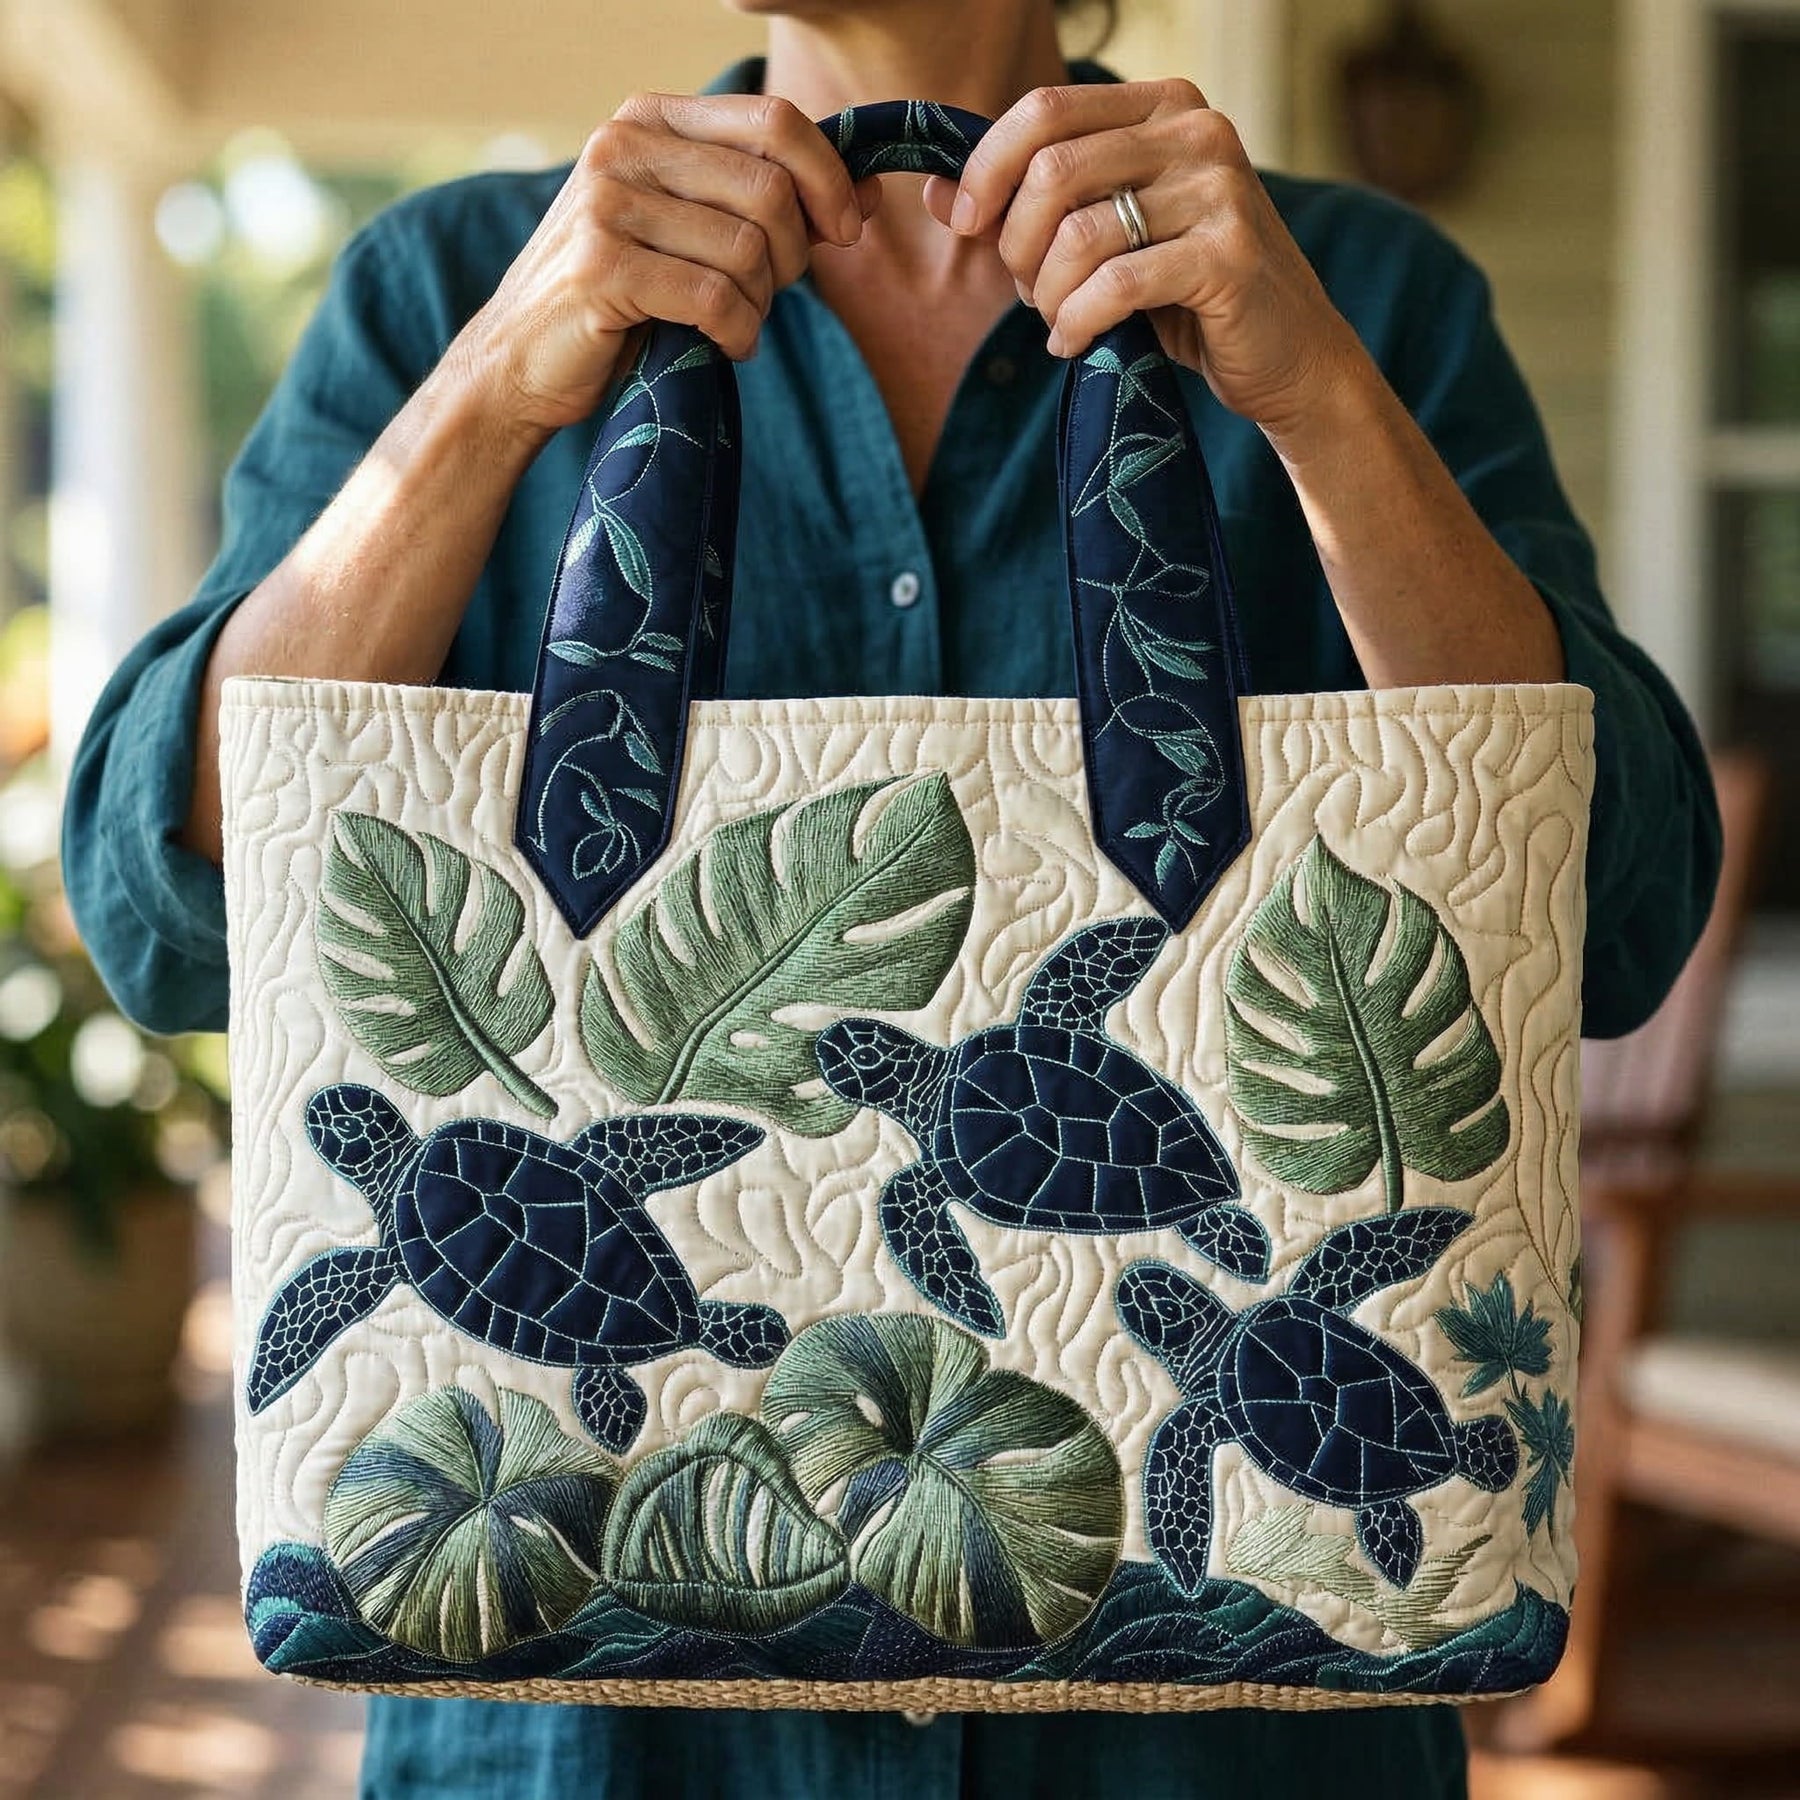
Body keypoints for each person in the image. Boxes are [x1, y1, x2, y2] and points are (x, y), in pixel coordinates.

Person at [62, 0, 1719, 1794]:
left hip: (1227, 1754)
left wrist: (1313, 398)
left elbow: (1614, 916)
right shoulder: (452, 281)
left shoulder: (1358, 298)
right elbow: (165, 911)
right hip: (595, 1748)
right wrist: (492, 392)